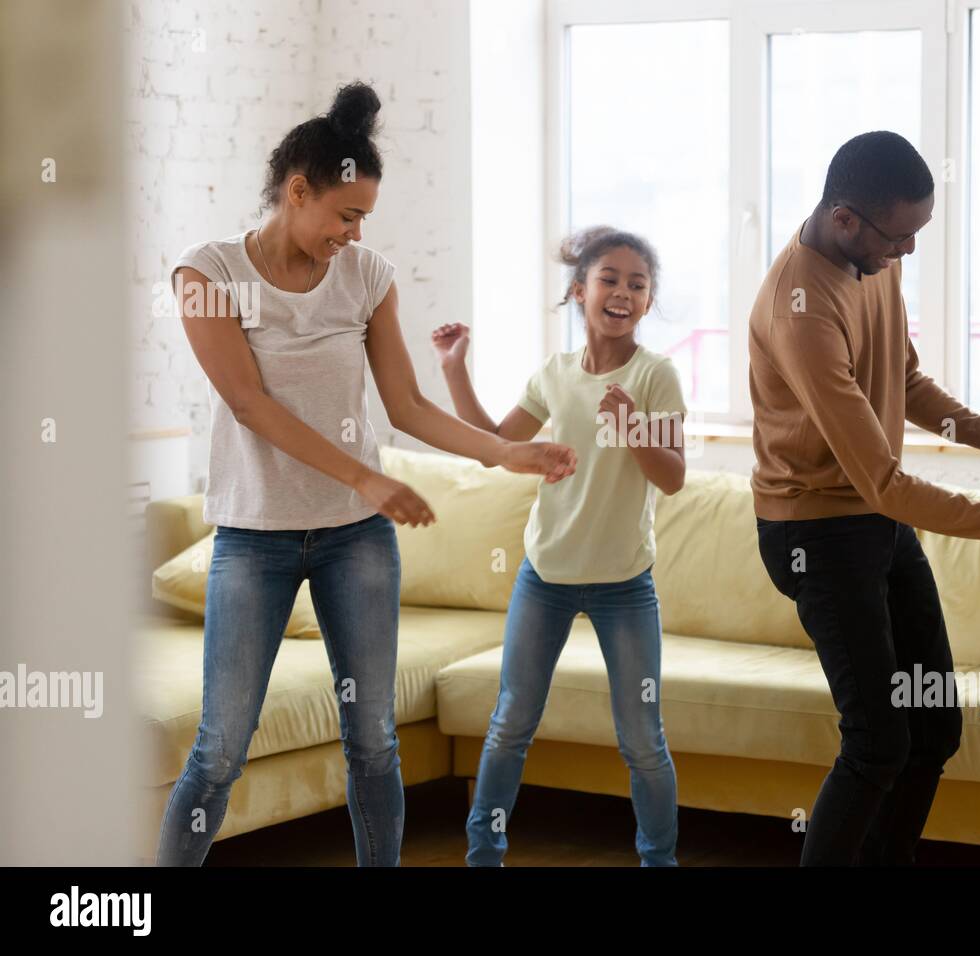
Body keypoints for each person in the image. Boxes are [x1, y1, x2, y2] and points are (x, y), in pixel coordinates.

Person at [156, 81, 576, 867]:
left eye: (363, 220)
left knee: (374, 741)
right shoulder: (206, 272)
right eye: (344, 215)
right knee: (219, 749)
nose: (352, 234)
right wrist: (369, 475)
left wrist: (505, 452)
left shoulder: (367, 275)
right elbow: (249, 405)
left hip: (356, 541)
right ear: (297, 190)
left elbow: (409, 404)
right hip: (255, 538)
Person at [748, 130, 980, 866]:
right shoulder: (799, 310)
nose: (905, 254)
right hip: (817, 533)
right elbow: (886, 480)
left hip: (873, 521)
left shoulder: (871, 261)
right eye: (899, 238)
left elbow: (903, 383)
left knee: (932, 727)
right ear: (846, 219)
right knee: (877, 739)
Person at [434, 226, 687, 867]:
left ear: (648, 301)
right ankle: (482, 853)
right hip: (544, 577)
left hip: (625, 584)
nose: (623, 292)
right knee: (510, 724)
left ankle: (659, 860)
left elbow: (674, 476)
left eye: (638, 284)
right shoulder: (553, 374)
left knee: (642, 739)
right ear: (580, 291)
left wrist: (631, 425)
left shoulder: (656, 376)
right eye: (610, 279)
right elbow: (496, 445)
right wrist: (454, 369)